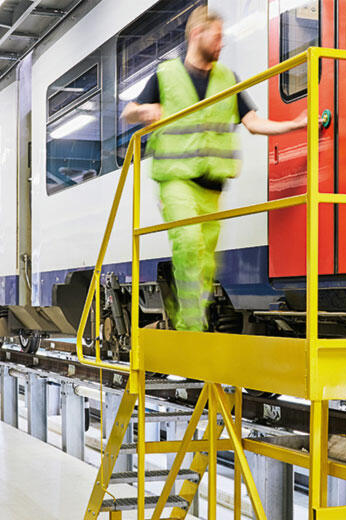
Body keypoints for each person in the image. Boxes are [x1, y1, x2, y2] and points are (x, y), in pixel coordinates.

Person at [121, 7, 306, 332]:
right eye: (217, 37)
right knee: (188, 243)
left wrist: (294, 124)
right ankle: (190, 329)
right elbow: (128, 112)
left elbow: (253, 122)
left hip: (212, 186)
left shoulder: (227, 79)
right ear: (197, 34)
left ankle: (189, 320)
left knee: (206, 262)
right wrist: (144, 112)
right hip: (176, 179)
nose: (221, 44)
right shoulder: (166, 75)